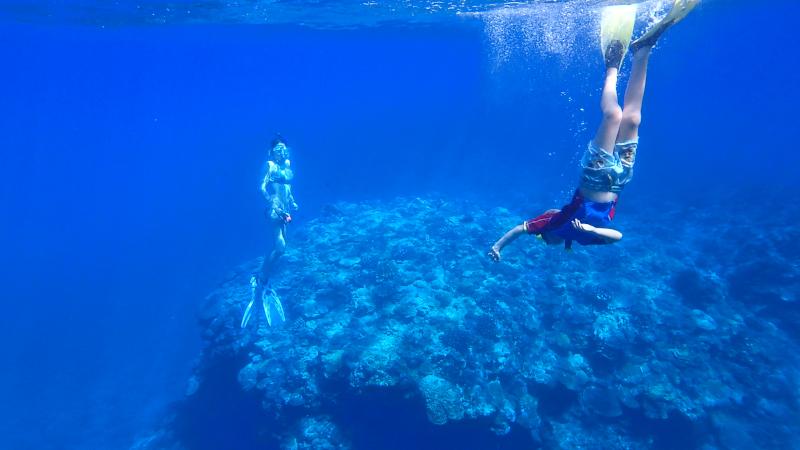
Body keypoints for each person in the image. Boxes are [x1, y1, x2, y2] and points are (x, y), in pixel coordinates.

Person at [488, 0, 699, 261]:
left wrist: (497, 247)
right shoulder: (584, 238)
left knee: (614, 115)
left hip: (594, 175)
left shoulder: (552, 225)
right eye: (544, 242)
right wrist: (590, 228)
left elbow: (519, 230)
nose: (545, 241)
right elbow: (617, 237)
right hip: (621, 178)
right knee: (633, 119)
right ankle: (643, 51)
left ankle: (612, 65)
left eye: (542, 240)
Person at [241, 135, 299, 328]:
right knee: (280, 246)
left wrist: (291, 202)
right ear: (271, 152)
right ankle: (260, 278)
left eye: (284, 148)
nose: (282, 152)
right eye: (278, 149)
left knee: (282, 247)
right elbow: (262, 188)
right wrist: (275, 206)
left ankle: (262, 277)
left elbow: (287, 188)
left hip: (285, 210)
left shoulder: (287, 165)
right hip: (275, 210)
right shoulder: (270, 165)